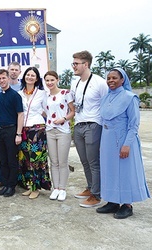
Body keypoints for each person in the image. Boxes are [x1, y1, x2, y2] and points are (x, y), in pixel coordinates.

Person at [96, 68, 150, 219]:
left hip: (124, 140)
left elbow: (134, 125)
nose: (111, 81)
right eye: (108, 78)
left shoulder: (130, 97)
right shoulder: (106, 98)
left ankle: (127, 205)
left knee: (124, 172)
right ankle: (112, 201)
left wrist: (127, 145)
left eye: (114, 78)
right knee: (109, 171)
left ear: (122, 80)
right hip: (107, 140)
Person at [70, 50, 108, 207]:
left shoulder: (99, 82)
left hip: (93, 124)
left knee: (93, 161)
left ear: (86, 64)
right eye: (73, 63)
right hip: (79, 124)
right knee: (84, 161)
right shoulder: (75, 82)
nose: (74, 67)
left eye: (76, 64)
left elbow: (106, 104)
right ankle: (90, 187)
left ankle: (96, 195)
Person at [18, 66, 51, 199]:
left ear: (37, 79)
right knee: (25, 159)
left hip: (37, 128)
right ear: (24, 77)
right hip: (23, 129)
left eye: (33, 75)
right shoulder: (19, 93)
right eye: (28, 75)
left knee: (36, 159)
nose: (30, 77)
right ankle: (29, 185)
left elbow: (47, 111)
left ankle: (37, 187)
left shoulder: (42, 94)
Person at [43, 71, 75, 201]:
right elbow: (45, 112)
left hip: (63, 131)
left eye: (52, 80)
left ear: (57, 80)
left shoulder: (66, 93)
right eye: (47, 80)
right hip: (50, 130)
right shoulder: (45, 96)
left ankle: (62, 188)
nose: (49, 83)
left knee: (63, 162)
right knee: (54, 161)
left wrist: (63, 119)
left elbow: (73, 111)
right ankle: (55, 188)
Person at [0, 69, 24, 197]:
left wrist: (18, 134)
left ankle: (12, 185)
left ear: (8, 79)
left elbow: (20, 114)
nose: (1, 81)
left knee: (12, 159)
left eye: (3, 78)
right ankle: (5, 184)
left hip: (11, 130)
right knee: (2, 159)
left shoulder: (15, 95)